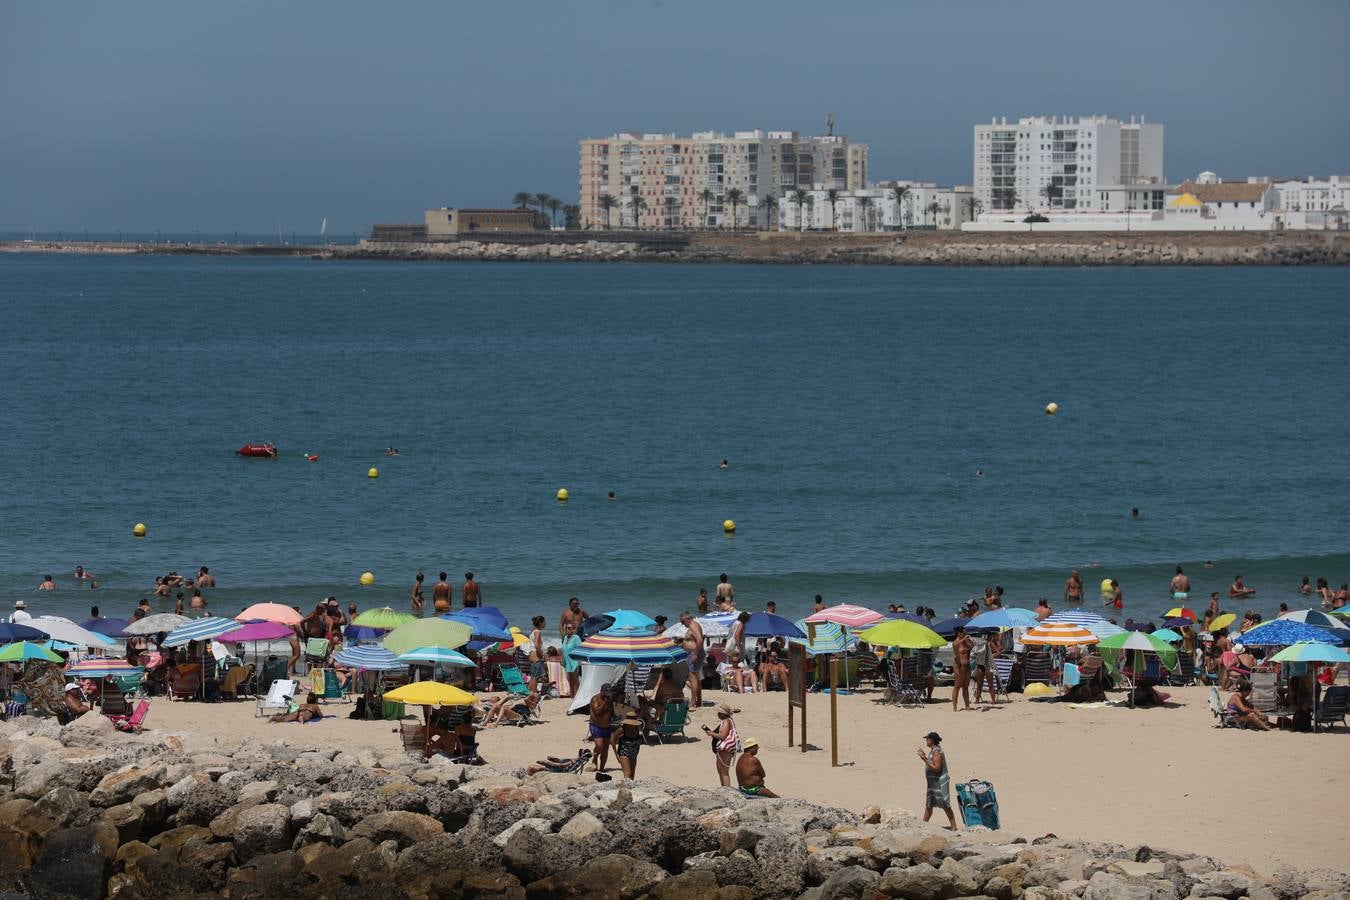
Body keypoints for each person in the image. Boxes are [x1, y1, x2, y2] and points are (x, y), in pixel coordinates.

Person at [917, 732, 958, 830]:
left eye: (927, 739)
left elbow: (937, 768)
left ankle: (954, 827)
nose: (926, 741)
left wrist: (924, 759)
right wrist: (925, 757)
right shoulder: (933, 750)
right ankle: (923, 825)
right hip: (933, 784)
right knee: (929, 804)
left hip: (939, 783)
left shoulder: (936, 752)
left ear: (931, 740)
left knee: (945, 804)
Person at [702, 703, 738, 787]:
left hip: (725, 750)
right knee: (721, 771)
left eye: (719, 712)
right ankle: (724, 789)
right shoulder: (727, 721)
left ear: (723, 714)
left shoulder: (726, 722)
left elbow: (722, 736)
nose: (717, 714)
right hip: (724, 750)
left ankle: (727, 791)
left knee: (724, 772)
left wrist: (711, 733)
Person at [588, 685, 616, 772]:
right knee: (599, 746)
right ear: (602, 691)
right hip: (596, 726)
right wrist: (604, 703)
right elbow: (597, 712)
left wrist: (614, 717)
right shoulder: (595, 699)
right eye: (606, 694)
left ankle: (602, 768)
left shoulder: (609, 700)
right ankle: (595, 758)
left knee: (606, 748)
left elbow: (612, 712)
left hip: (607, 726)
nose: (608, 696)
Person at [679, 611, 704, 708]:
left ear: (687, 619)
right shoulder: (693, 626)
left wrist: (696, 654)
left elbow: (700, 639)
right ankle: (699, 701)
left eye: (682, 622)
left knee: (692, 677)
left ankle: (693, 702)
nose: (682, 624)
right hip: (693, 652)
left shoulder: (693, 625)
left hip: (694, 653)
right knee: (696, 678)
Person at [614, 712, 643, 780]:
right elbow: (612, 741)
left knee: (632, 774)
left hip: (634, 754)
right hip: (623, 753)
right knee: (628, 773)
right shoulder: (622, 729)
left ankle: (629, 789)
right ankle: (624, 789)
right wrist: (616, 755)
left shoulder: (638, 728)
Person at [951, 626, 972, 712]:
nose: (965, 634)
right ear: (959, 633)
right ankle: (955, 707)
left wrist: (969, 642)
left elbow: (971, 649)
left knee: (966, 687)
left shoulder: (966, 641)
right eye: (963, 633)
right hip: (959, 666)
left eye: (965, 633)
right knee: (957, 686)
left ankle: (967, 706)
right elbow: (956, 646)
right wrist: (964, 639)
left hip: (967, 666)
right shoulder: (955, 642)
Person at [526, 615, 546, 697]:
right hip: (536, 655)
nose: (545, 624)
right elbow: (537, 645)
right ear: (541, 623)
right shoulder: (538, 632)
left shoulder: (533, 631)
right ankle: (534, 693)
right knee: (536, 677)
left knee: (533, 676)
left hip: (531, 655)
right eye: (544, 622)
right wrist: (542, 654)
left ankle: (530, 692)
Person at [561, 621, 581, 697]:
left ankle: (577, 695)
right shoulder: (565, 638)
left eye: (569, 628)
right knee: (570, 679)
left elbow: (580, 649)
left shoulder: (576, 638)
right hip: (566, 661)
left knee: (575, 679)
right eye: (566, 628)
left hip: (574, 661)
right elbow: (563, 649)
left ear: (574, 629)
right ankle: (572, 695)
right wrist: (562, 658)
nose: (567, 630)